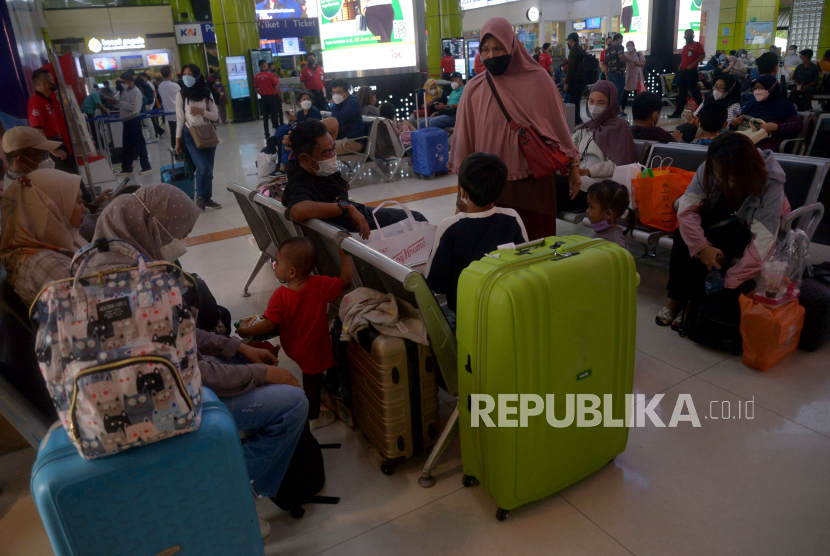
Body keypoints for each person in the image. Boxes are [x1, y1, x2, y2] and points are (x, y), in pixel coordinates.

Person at [90, 184, 306, 538]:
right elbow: (188, 372)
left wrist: (235, 347)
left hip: (144, 396)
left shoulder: (109, 266)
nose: (185, 242)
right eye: (180, 233)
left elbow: (182, 333)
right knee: (291, 403)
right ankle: (236, 495)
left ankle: (235, 484)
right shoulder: (135, 290)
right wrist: (262, 372)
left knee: (249, 369)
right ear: (153, 226)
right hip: (159, 408)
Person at [450, 18, 580, 240]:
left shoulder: (539, 80)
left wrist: (574, 167)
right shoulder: (474, 88)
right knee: (496, 249)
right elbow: (465, 141)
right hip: (490, 187)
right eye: (485, 50)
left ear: (512, 46)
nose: (491, 55)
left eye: (498, 48)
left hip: (534, 183)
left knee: (534, 243)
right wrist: (462, 191)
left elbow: (559, 128)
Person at [656, 133, 788, 328]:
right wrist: (702, 248)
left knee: (722, 242)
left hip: (747, 225)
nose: (721, 179)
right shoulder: (710, 166)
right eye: (719, 174)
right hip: (718, 214)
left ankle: (697, 301)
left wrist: (730, 282)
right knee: (684, 237)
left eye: (728, 175)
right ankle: (676, 298)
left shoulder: (770, 181)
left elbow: (764, 240)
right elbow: (686, 209)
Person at [237, 237, 351, 428]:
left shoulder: (280, 296)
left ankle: (312, 413)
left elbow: (267, 324)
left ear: (291, 272)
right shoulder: (320, 284)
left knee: (310, 377)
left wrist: (244, 330)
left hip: (293, 347)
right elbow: (346, 282)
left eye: (276, 263)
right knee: (311, 378)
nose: (274, 266)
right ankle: (314, 412)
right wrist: (345, 256)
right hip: (314, 348)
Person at [281, 120, 427, 238]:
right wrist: (345, 208)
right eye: (326, 153)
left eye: (333, 149)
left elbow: (333, 123)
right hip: (355, 228)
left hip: (358, 214)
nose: (333, 156)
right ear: (305, 158)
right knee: (416, 219)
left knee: (415, 217)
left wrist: (297, 137)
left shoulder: (312, 166)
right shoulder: (300, 181)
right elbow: (297, 210)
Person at [424, 152, 527, 317]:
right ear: (500, 190)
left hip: (464, 313)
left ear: (462, 192)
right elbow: (524, 264)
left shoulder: (449, 227)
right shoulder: (512, 218)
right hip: (505, 308)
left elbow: (435, 282)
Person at [0, 169, 86, 306]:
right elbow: (98, 305)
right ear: (51, 207)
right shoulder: (45, 263)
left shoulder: (57, 238)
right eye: (79, 202)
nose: (84, 208)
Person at [558, 81, 638, 212]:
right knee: (548, 186)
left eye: (601, 103)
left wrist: (587, 171)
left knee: (555, 188)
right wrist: (574, 167)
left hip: (601, 186)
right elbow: (571, 149)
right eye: (591, 101)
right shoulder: (585, 127)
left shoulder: (618, 127)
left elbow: (619, 164)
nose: (594, 106)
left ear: (610, 104)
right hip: (578, 178)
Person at [175, 64, 221, 211]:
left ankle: (207, 198)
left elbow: (215, 116)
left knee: (209, 170)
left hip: (207, 133)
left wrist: (202, 111)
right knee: (202, 168)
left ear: (196, 75)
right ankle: (200, 197)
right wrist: (177, 141)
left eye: (190, 73)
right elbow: (180, 120)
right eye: (184, 73)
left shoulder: (206, 92)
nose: (187, 76)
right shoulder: (181, 95)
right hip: (190, 134)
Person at [730, 75, 803, 152]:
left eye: (761, 87)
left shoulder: (784, 105)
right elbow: (738, 124)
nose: (757, 91)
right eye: (755, 88)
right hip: (747, 139)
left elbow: (798, 125)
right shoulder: (752, 104)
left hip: (767, 143)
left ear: (772, 88)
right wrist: (734, 123)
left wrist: (777, 127)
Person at [27, 68, 73, 175]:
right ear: (45, 82)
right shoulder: (35, 101)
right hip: (52, 143)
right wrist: (52, 150)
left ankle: (83, 192)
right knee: (66, 176)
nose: (53, 83)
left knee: (72, 174)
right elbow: (37, 129)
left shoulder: (46, 100)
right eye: (51, 80)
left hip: (58, 140)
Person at [677, 74, 742, 143]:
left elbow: (727, 128)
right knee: (679, 130)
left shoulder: (733, 104)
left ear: (730, 89)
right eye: (715, 86)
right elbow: (697, 114)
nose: (717, 90)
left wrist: (699, 124)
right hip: (701, 128)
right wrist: (692, 118)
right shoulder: (709, 100)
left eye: (721, 88)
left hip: (715, 135)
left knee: (682, 134)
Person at [273, 90, 322, 173]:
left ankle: (283, 165)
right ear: (299, 102)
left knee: (290, 148)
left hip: (310, 138)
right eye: (304, 99)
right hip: (301, 137)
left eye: (308, 99)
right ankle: (282, 165)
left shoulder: (314, 112)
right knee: (285, 140)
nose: (306, 101)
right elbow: (295, 127)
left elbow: (313, 129)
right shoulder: (300, 113)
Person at [115, 72, 152, 177]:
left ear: (130, 82)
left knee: (139, 145)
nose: (121, 84)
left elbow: (134, 108)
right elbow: (122, 105)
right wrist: (115, 103)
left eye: (123, 82)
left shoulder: (136, 92)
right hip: (126, 121)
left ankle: (146, 167)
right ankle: (127, 168)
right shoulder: (124, 92)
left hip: (134, 120)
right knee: (127, 146)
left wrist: (120, 103)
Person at [585, 179, 635, 248]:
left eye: (591, 207)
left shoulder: (616, 244)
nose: (587, 211)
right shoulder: (602, 233)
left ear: (608, 214)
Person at [669, 29, 706, 118]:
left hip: (692, 72)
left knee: (694, 91)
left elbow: (702, 55)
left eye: (690, 34)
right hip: (683, 72)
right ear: (684, 36)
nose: (689, 36)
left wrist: (693, 64)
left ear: (693, 35)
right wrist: (681, 65)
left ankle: (703, 111)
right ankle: (678, 113)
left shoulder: (697, 45)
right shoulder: (685, 47)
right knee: (682, 93)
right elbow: (684, 59)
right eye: (687, 34)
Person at [330, 78, 365, 155]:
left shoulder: (352, 103)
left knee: (324, 150)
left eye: (339, 92)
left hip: (353, 142)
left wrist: (333, 106)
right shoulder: (340, 104)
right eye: (334, 93)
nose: (336, 95)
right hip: (344, 139)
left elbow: (338, 119)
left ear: (347, 93)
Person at [255, 59, 283, 138]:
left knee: (265, 117)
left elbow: (256, 89)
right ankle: (277, 131)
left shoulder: (256, 76)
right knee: (274, 115)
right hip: (272, 97)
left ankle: (266, 133)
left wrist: (262, 93)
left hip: (263, 98)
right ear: (264, 66)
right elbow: (275, 86)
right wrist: (272, 92)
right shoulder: (270, 75)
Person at [564, 32, 587, 125]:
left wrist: (566, 83)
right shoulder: (580, 49)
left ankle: (578, 122)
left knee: (572, 102)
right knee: (576, 102)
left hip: (575, 81)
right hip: (581, 80)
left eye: (568, 41)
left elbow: (571, 68)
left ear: (571, 40)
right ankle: (576, 122)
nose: (568, 43)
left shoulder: (574, 50)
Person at [157, 66, 181, 148]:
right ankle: (181, 151)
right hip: (177, 112)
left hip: (168, 113)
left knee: (173, 132)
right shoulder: (174, 85)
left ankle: (175, 151)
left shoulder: (160, 86)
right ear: (170, 74)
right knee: (180, 133)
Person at [605, 34, 627, 116]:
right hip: (618, 73)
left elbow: (606, 62)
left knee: (612, 93)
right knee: (619, 93)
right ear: (619, 39)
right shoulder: (619, 46)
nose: (622, 41)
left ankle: (611, 110)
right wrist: (630, 61)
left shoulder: (608, 49)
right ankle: (617, 111)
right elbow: (621, 56)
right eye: (622, 39)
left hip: (611, 73)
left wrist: (607, 73)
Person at [621, 40, 645, 112]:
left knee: (637, 93)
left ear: (633, 46)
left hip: (637, 75)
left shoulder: (639, 54)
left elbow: (643, 64)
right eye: (627, 45)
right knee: (625, 92)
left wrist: (635, 64)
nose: (628, 47)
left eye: (630, 45)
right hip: (629, 75)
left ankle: (637, 109)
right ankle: (622, 109)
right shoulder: (625, 54)